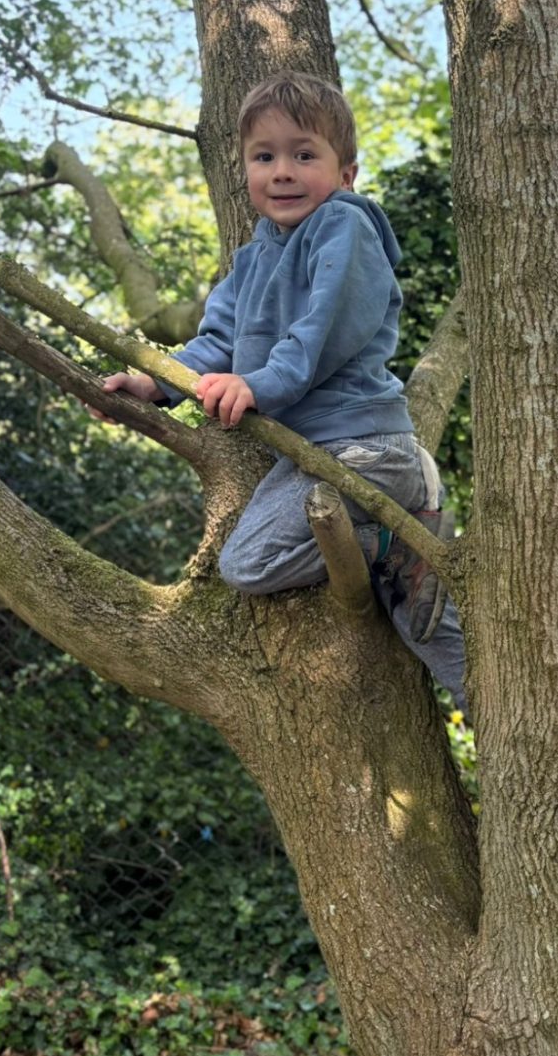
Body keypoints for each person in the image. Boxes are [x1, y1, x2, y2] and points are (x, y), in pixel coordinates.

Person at [93, 72, 466, 712]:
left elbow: (324, 331)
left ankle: (389, 539)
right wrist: (156, 383)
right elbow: (216, 342)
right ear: (244, 170)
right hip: (324, 455)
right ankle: (511, 717)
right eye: (264, 157)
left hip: (361, 446)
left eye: (304, 155)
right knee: (430, 626)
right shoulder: (252, 259)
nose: (283, 171)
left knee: (248, 565)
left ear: (345, 174)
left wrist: (258, 384)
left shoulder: (344, 225)